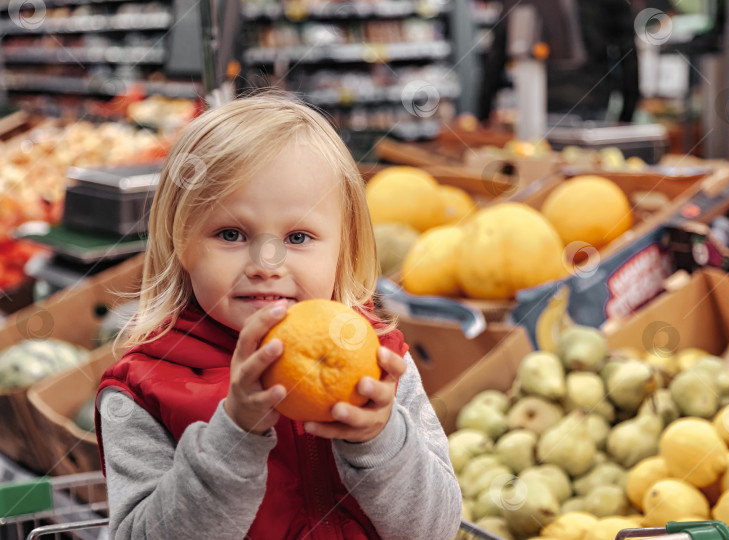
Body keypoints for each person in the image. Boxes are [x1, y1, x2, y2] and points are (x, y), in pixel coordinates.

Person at [94, 93, 462, 539]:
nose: (267, 262)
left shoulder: (380, 364)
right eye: (231, 234)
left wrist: (379, 441)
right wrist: (234, 434)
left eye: (299, 236)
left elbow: (437, 528)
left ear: (343, 249)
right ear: (179, 245)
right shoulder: (141, 391)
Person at [478, 0, 640, 125]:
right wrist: (627, 116)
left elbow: (496, 57)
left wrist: (483, 114)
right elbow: (628, 54)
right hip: (587, 103)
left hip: (534, 106)